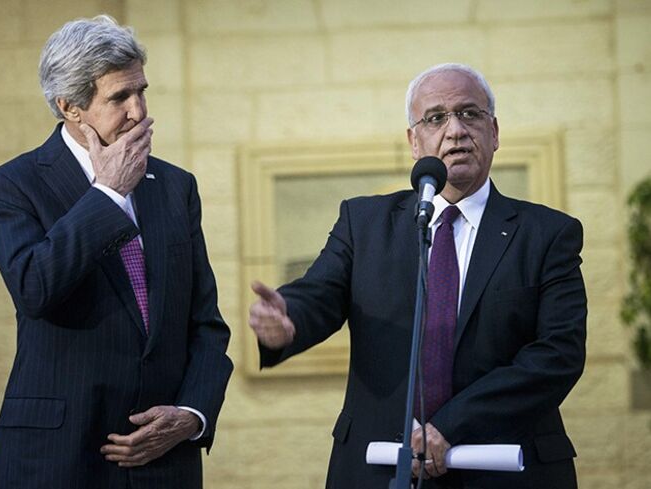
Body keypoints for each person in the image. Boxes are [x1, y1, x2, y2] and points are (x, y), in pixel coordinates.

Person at [248, 63, 586, 489]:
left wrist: (450, 426)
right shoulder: (364, 222)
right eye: (436, 118)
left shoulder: (547, 234)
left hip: (504, 467)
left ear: (494, 133)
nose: (456, 130)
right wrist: (287, 321)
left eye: (470, 114)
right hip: (381, 465)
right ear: (414, 141)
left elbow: (558, 355)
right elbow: (319, 294)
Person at [0, 15, 233, 489]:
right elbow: (35, 288)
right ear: (70, 107)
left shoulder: (176, 187)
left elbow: (206, 323)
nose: (139, 112)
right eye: (119, 98)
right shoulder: (11, 185)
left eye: (142, 91)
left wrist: (192, 413)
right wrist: (109, 195)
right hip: (57, 456)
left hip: (162, 460)